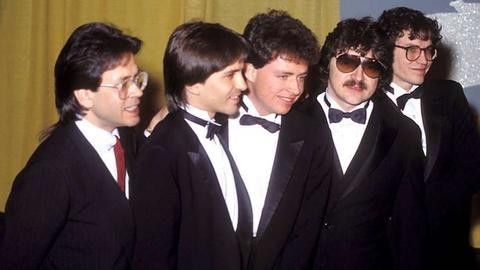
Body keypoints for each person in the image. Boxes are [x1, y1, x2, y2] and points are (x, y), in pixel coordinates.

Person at [0, 22, 145, 269]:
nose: (137, 92)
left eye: (137, 79)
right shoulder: (50, 172)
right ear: (84, 95)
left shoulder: (126, 140)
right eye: (123, 84)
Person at [298, 17, 426, 270]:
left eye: (371, 67)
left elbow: (410, 224)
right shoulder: (291, 121)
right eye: (347, 61)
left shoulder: (404, 133)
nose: (359, 76)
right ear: (327, 64)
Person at [130, 21, 250, 270]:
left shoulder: (214, 132)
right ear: (193, 83)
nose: (242, 84)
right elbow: (154, 255)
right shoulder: (162, 151)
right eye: (230, 75)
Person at [222, 10, 333, 269]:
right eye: (283, 76)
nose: (296, 89)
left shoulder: (312, 134)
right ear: (249, 70)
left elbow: (308, 228)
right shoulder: (209, 123)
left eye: (302, 77)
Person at [378, 7, 480, 270]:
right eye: (412, 49)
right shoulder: (365, 101)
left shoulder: (449, 95)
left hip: (444, 245)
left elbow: (473, 167)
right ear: (386, 50)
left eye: (429, 50)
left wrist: (435, 210)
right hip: (383, 247)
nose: (423, 59)